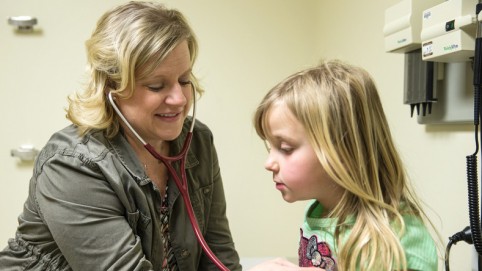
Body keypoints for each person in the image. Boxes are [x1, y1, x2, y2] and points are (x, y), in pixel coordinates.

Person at [0, 2, 241, 270]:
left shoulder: (197, 142)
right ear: (112, 88)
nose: (179, 99)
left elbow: (219, 256)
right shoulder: (71, 166)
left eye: (184, 80)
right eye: (156, 85)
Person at [252, 60, 439, 271]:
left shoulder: (396, 235)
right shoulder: (321, 211)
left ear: (342, 150)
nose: (269, 164)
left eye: (285, 148)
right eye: (270, 149)